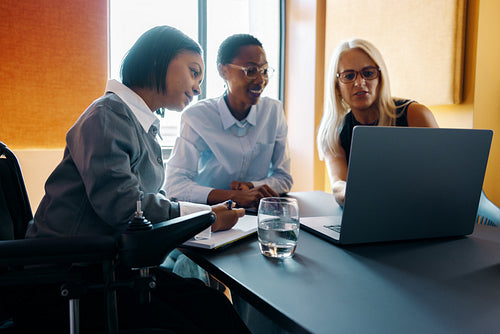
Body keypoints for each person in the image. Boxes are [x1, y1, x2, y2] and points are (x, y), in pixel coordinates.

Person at [21, 26, 250, 333]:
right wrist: (205, 218)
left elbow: (146, 201)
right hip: (68, 279)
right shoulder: (107, 116)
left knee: (212, 305)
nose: (198, 88)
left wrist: (203, 215)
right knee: (193, 322)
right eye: (194, 72)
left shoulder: (137, 123)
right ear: (158, 61)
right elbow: (125, 208)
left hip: (107, 269)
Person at [165, 34, 293, 210]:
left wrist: (251, 187)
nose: (260, 80)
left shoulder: (274, 112)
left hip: (257, 216)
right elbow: (174, 186)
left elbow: (284, 178)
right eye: (250, 70)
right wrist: (234, 197)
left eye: (264, 71)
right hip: (210, 217)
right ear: (223, 71)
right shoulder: (196, 117)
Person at [317, 38, 439, 207]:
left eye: (368, 73)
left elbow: (439, 178)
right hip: (366, 212)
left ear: (380, 78)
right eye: (349, 76)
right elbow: (339, 184)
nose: (359, 83)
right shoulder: (332, 133)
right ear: (337, 86)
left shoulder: (415, 114)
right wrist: (351, 193)